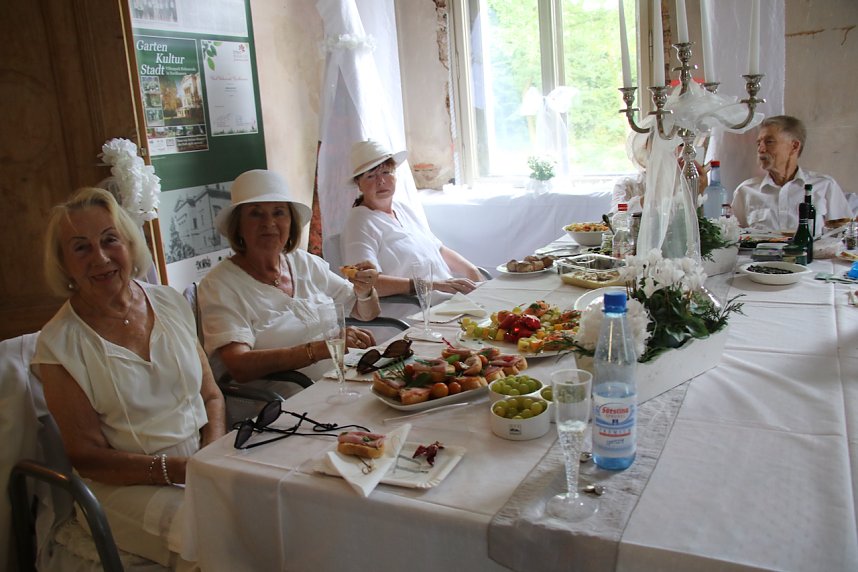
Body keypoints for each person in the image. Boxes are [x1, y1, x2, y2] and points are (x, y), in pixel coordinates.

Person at [31, 187, 225, 568]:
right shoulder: (58, 345)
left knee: (271, 509)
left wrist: (212, 458)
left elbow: (212, 396)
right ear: (64, 263)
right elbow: (87, 457)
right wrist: (181, 471)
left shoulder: (170, 302)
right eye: (81, 247)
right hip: (124, 489)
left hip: (201, 465)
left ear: (130, 244)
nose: (100, 257)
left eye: (109, 240)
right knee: (213, 534)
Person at [198, 169, 381, 386]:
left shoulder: (305, 263)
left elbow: (366, 312)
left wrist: (365, 290)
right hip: (282, 405)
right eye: (256, 213)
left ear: (291, 221)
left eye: (278, 212)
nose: (269, 223)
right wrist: (319, 349)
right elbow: (239, 365)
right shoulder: (220, 285)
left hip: (339, 385)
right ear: (238, 225)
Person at [341, 139, 483, 297]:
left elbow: (438, 249)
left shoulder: (403, 209)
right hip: (415, 309)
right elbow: (365, 283)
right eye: (371, 176)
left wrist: (472, 271)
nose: (381, 181)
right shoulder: (359, 222)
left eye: (386, 172)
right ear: (359, 184)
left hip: (447, 299)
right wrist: (432, 285)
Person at [731, 115, 852, 235]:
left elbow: (845, 235)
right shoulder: (745, 191)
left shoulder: (824, 186)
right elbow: (732, 239)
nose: (761, 149)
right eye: (759, 143)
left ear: (794, 146)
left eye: (769, 142)